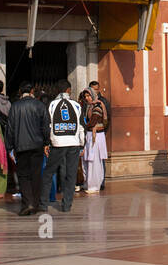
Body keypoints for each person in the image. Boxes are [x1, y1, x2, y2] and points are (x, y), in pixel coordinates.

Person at [8, 82, 50, 215]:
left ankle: (27, 203)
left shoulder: (15, 106)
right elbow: (45, 126)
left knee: (23, 176)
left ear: (21, 91)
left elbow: (10, 128)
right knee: (36, 175)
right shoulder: (39, 105)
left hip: (21, 146)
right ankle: (35, 204)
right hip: (37, 145)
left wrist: (9, 146)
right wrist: (46, 142)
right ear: (32, 91)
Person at [44, 80, 83, 212]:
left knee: (48, 173)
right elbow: (81, 126)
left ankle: (43, 203)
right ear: (68, 90)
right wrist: (81, 144)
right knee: (71, 175)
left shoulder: (51, 105)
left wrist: (47, 142)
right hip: (73, 143)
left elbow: (48, 125)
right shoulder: (76, 105)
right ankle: (67, 205)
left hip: (57, 143)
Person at [80, 88, 108, 193]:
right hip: (91, 135)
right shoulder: (90, 107)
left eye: (89, 96)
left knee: (95, 161)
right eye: (86, 96)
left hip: (96, 136)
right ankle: (89, 183)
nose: (87, 98)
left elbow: (93, 122)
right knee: (89, 160)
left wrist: (84, 126)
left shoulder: (97, 106)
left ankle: (94, 185)